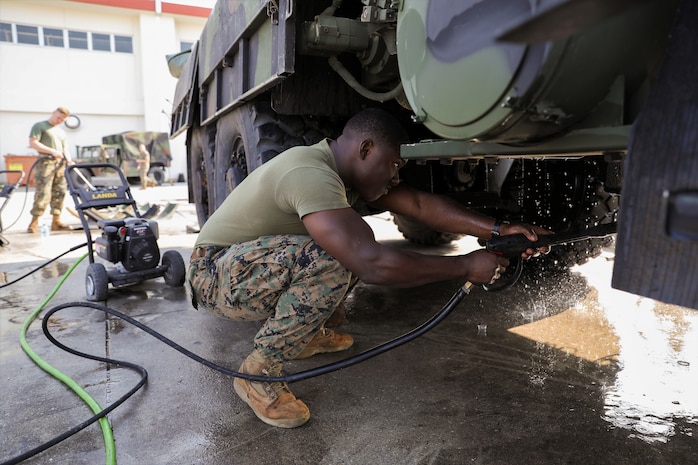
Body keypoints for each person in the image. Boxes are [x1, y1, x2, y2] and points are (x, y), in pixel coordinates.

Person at [187, 108, 548, 428]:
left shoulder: (344, 173)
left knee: (347, 246)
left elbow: (420, 204)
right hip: (214, 275)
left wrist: (499, 230)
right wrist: (466, 265)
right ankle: (257, 374)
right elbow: (373, 264)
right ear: (365, 150)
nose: (395, 178)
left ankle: (302, 333)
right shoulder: (309, 172)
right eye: (393, 165)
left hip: (245, 269)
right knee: (340, 256)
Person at [27, 106, 73, 233]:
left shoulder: (61, 132)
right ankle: (34, 222)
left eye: (62, 120)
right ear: (53, 113)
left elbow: (65, 149)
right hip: (45, 163)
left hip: (60, 164)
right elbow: (33, 143)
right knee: (43, 193)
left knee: (60, 192)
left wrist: (69, 160)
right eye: (58, 117)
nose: (59, 121)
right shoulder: (40, 126)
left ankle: (56, 221)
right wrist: (52, 151)